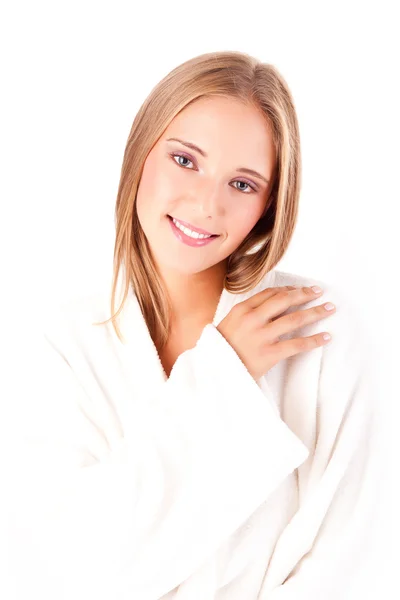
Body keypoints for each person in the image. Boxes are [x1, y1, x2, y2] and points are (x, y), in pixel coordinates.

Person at [6, 51, 382, 600]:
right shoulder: (60, 345)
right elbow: (74, 571)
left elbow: (355, 562)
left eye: (243, 184)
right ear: (142, 152)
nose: (207, 204)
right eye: (186, 160)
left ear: (269, 207)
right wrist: (224, 375)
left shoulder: (325, 334)